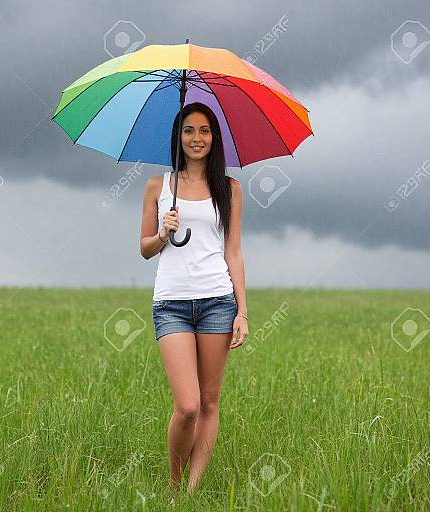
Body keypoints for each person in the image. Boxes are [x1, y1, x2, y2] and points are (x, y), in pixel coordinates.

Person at [140, 102, 249, 498]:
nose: (197, 138)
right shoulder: (158, 186)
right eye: (189, 130)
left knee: (208, 401)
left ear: (214, 138)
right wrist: (163, 234)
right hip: (171, 304)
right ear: (178, 136)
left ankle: (191, 491)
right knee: (186, 406)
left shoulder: (231, 189)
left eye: (204, 131)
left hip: (218, 302)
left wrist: (243, 311)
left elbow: (233, 252)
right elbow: (144, 249)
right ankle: (172, 486)